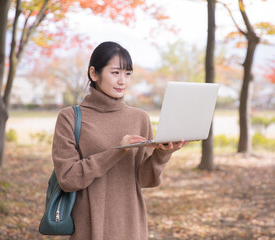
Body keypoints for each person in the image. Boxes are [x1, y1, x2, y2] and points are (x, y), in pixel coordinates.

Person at [52, 41, 187, 240]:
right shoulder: (70, 117)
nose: (122, 81)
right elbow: (68, 179)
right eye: (115, 73)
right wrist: (118, 150)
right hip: (89, 225)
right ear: (94, 74)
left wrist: (162, 154)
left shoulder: (139, 117)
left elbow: (145, 179)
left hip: (131, 224)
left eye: (127, 74)